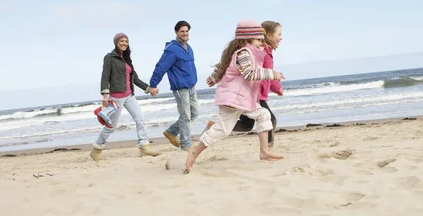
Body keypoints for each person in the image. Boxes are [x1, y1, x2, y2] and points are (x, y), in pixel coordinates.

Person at [183, 19, 285, 174]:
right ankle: (194, 152)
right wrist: (273, 74)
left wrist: (214, 77)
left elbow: (223, 65)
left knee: (264, 114)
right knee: (222, 130)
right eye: (258, 40)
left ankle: (264, 152)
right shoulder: (244, 53)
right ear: (247, 39)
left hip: (242, 98)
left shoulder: (248, 51)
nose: (261, 43)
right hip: (233, 99)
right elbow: (249, 73)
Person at [90, 33, 160, 161]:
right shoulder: (110, 57)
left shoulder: (127, 59)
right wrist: (105, 95)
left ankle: (144, 147)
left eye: (126, 41)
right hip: (116, 98)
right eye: (121, 41)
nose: (124, 43)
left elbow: (135, 78)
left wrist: (149, 89)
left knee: (140, 119)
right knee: (111, 126)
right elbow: (105, 76)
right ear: (116, 42)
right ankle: (97, 148)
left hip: (129, 96)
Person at [220, 20, 284, 147]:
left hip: (256, 93)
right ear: (269, 36)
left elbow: (268, 75)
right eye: (279, 34)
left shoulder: (266, 52)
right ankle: (267, 149)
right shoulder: (262, 52)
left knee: (246, 125)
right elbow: (257, 72)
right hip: (255, 94)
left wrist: (277, 88)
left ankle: (216, 126)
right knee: (271, 120)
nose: (281, 38)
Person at [148, 21, 199, 151]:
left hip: (191, 87)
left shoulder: (189, 48)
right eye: (182, 31)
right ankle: (186, 144)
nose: (185, 33)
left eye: (187, 31)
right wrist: (153, 84)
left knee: (194, 113)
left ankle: (171, 132)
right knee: (185, 116)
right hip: (180, 88)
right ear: (176, 32)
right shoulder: (172, 49)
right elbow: (161, 67)